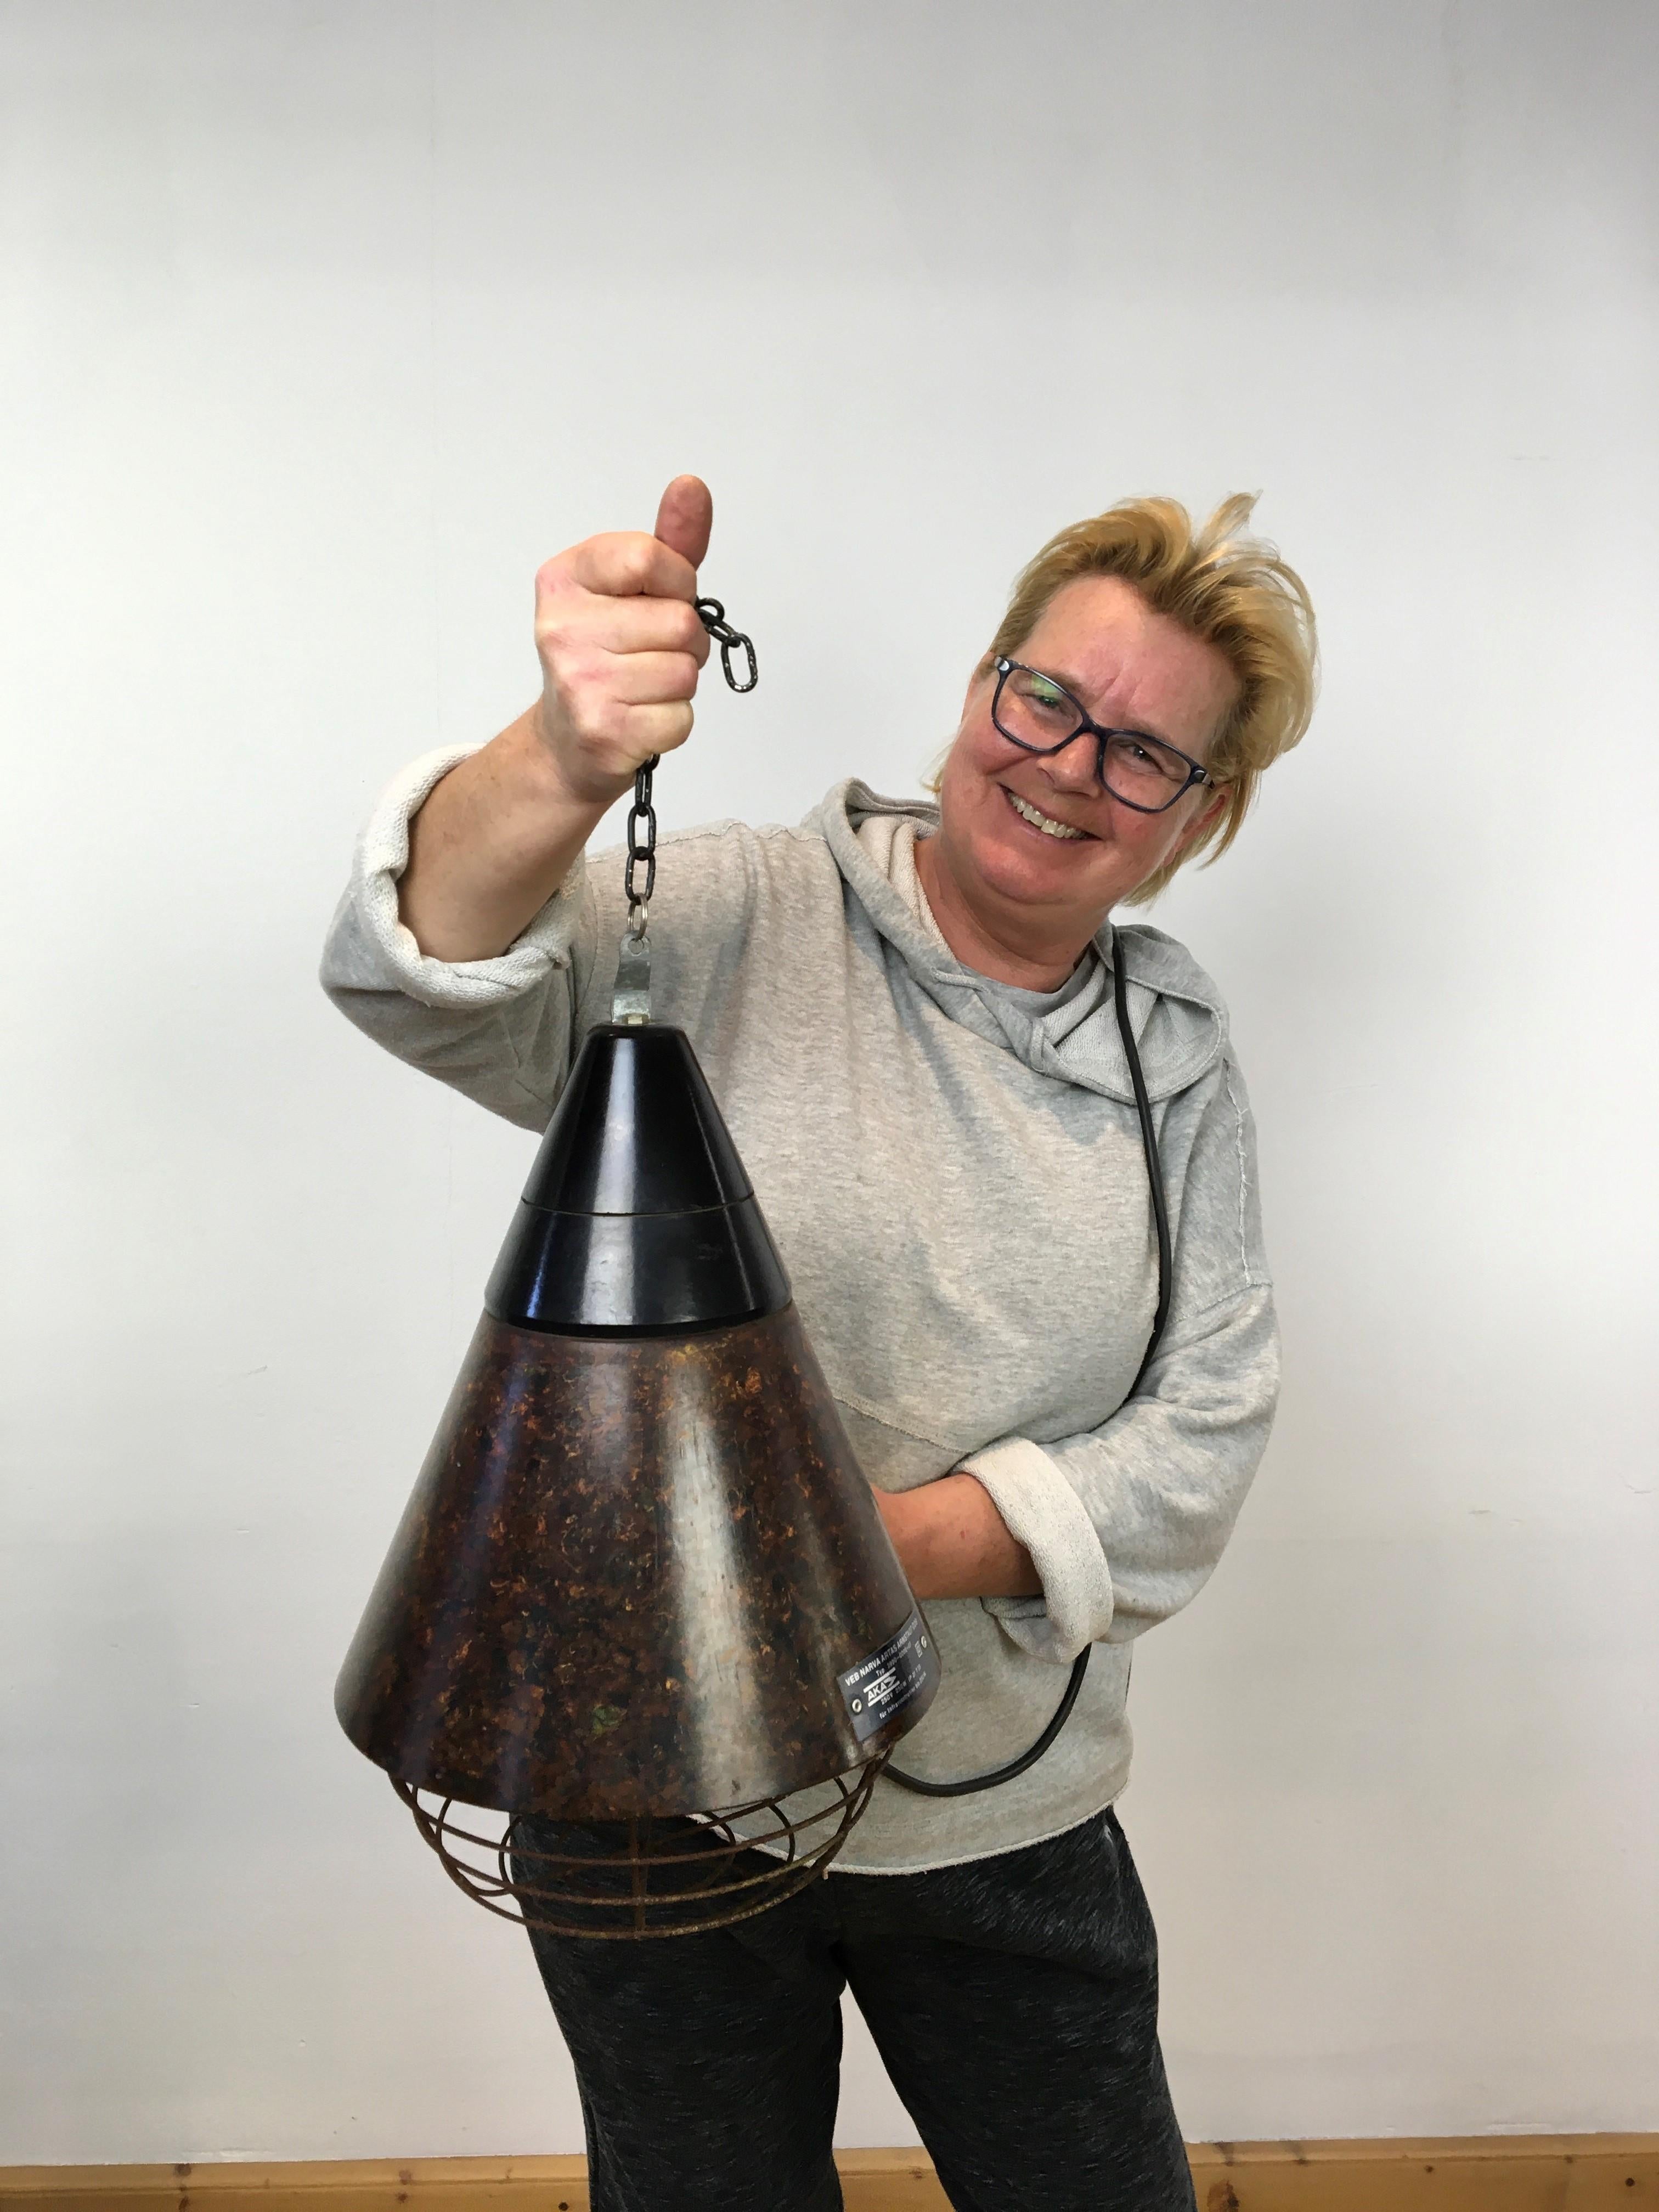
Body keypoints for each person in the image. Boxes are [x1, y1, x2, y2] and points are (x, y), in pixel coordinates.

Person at [321, 476, 1317, 2212]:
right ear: (982, 685)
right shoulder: (729, 913)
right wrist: (560, 762)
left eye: (1146, 754)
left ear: (1196, 816)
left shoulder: (1175, 1054)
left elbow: (1204, 1435)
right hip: (652, 1789)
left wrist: (843, 1552)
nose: (1074, 764)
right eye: (1048, 698)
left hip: (1000, 1800)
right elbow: (420, 971)